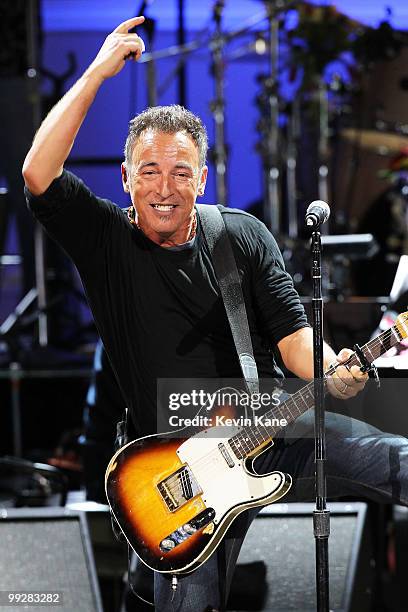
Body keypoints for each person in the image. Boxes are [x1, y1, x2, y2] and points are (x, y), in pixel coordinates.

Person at [22, 16, 408, 611]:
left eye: (181, 172)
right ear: (126, 178)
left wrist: (338, 368)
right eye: (149, 170)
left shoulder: (241, 236)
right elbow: (38, 174)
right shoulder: (104, 239)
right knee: (185, 601)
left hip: (272, 429)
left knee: (396, 459)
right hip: (177, 470)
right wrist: (98, 72)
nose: (165, 186)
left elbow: (294, 342)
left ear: (202, 178)